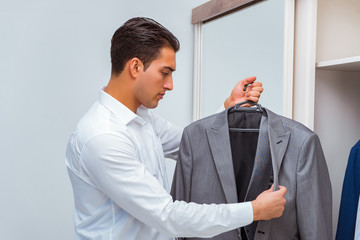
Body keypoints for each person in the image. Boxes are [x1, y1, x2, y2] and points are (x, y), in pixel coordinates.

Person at [65, 17, 287, 240]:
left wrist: (228, 106)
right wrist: (254, 210)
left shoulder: (143, 119)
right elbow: (168, 216)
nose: (170, 85)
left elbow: (193, 145)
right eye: (165, 72)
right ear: (135, 66)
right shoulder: (103, 137)